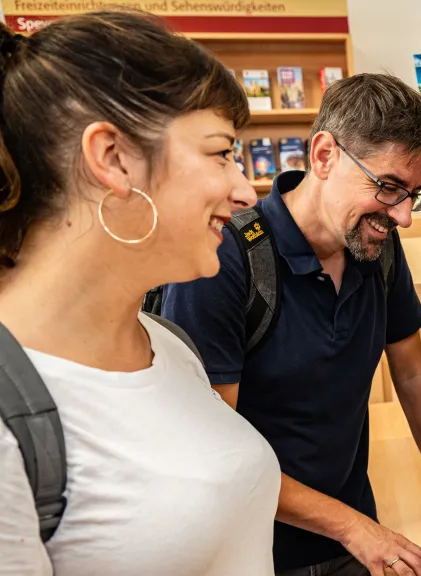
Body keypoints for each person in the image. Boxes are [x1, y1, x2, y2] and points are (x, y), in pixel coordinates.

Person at [161, 73, 421, 576]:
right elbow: (215, 452)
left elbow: (412, 368)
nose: (404, 218)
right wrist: (354, 528)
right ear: (324, 155)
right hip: (257, 551)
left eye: (413, 195)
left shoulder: (374, 245)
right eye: (389, 186)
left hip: (354, 532)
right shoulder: (225, 261)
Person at [0, 10, 279, 576]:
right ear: (113, 158)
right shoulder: (13, 421)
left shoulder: (166, 341)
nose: (246, 190)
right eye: (221, 153)